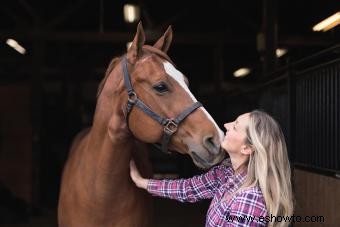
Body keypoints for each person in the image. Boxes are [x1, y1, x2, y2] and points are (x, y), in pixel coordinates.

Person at [130, 110, 293, 227]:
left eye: (235, 126)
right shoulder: (226, 174)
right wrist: (141, 182)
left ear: (246, 149)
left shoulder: (248, 200)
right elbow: (188, 189)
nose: (226, 125)